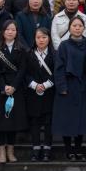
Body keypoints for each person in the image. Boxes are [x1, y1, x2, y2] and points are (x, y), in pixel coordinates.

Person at [54, 15, 86, 161]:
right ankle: (68, 150)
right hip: (68, 84)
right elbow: (59, 68)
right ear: (69, 28)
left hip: (84, 84)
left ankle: (78, 149)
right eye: (74, 26)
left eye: (80, 26)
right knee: (67, 119)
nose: (77, 28)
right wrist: (62, 87)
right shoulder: (64, 45)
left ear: (84, 28)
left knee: (81, 119)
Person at [0, 21, 28, 164]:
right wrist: (3, 86)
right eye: (8, 29)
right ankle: (1, 151)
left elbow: (23, 69)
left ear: (17, 32)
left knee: (13, 121)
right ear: (3, 31)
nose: (10, 32)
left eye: (13, 30)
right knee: (0, 121)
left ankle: (11, 150)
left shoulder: (21, 48)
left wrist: (14, 86)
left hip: (16, 88)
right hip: (0, 88)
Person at [22, 27, 55, 161]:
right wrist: (35, 85)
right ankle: (35, 148)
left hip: (49, 92)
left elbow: (57, 72)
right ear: (34, 39)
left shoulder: (54, 54)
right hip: (33, 92)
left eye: (44, 37)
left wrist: (46, 85)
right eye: (38, 37)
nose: (41, 40)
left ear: (49, 39)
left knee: (48, 122)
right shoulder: (29, 54)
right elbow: (25, 73)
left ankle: (47, 149)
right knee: (34, 121)